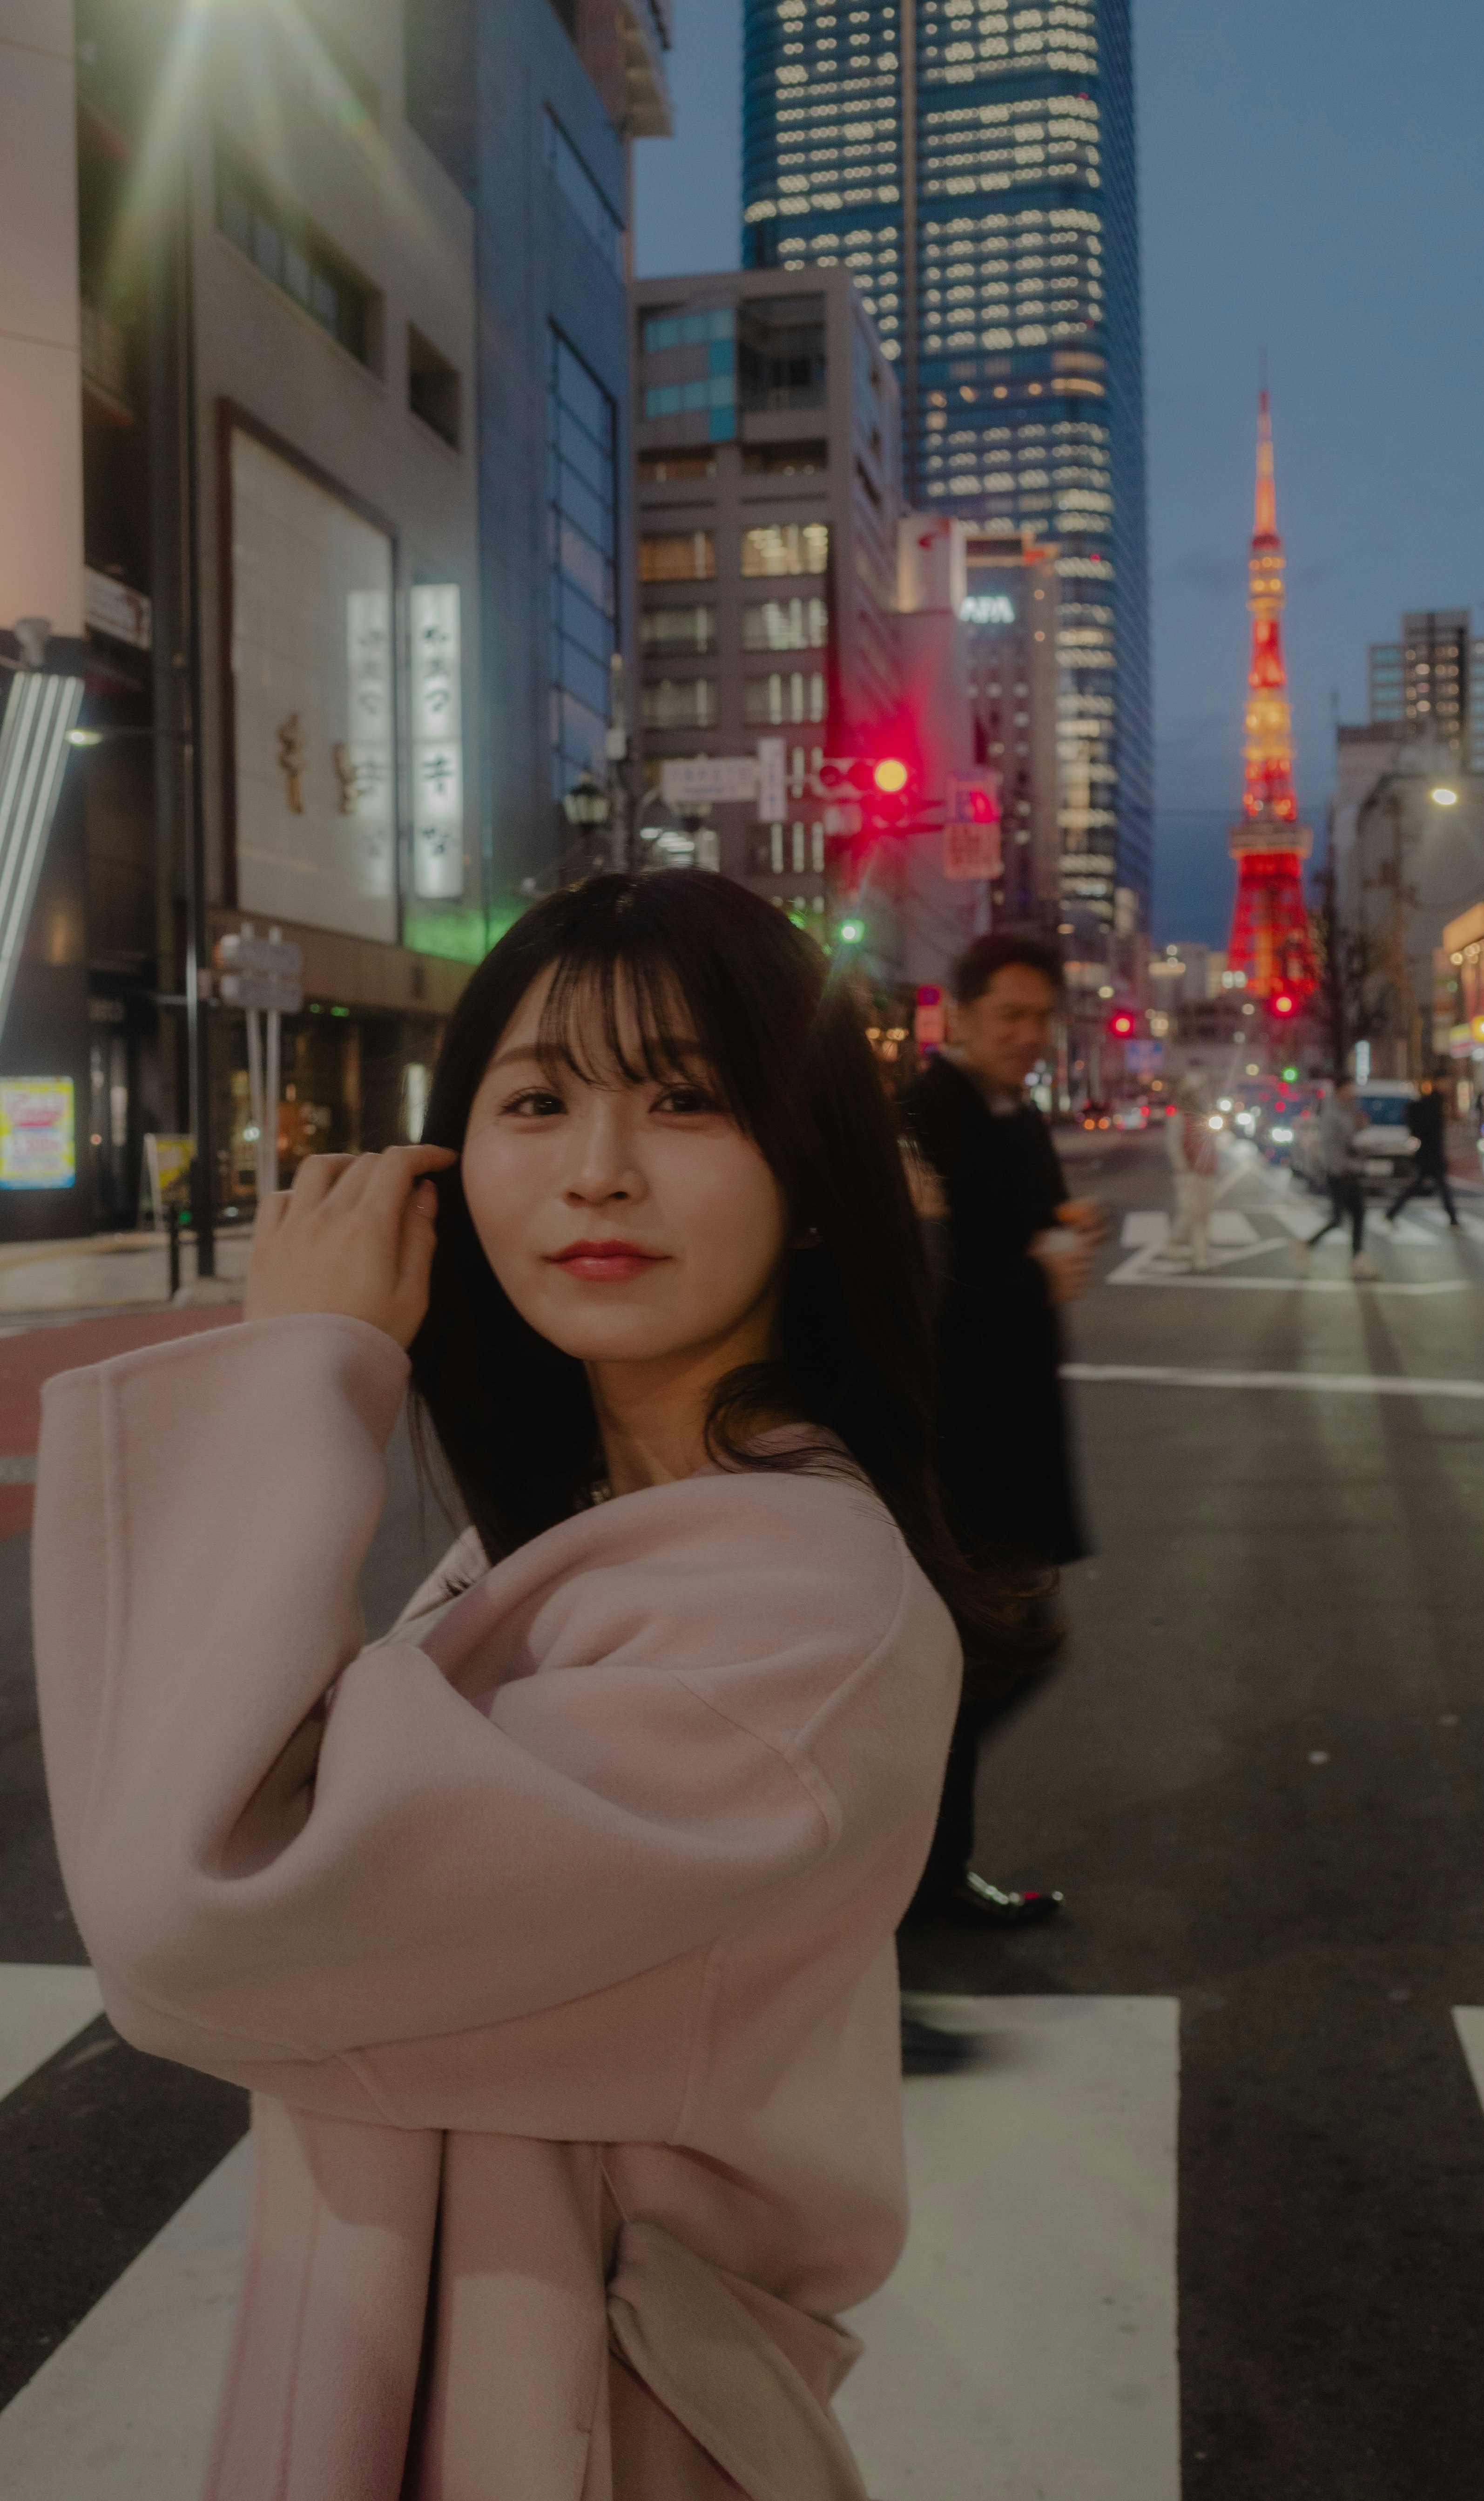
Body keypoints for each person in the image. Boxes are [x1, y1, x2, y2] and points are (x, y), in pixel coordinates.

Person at [31, 871, 1043, 2496]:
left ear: (811, 1182)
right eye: (536, 1099)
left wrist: (301, 1371)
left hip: (578, 2419)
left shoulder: (797, 1621)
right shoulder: (586, 1530)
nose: (599, 1171)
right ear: (453, 1165)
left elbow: (198, 1918)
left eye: (688, 1101)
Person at [902, 932, 1096, 1928]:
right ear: (960, 1016)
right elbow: (911, 1280)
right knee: (998, 1654)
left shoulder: (1016, 1116)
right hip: (954, 1448)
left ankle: (930, 1878)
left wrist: (1063, 1229)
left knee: (983, 1664)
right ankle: (902, 1877)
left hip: (1013, 1433)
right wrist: (1036, 1270)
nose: (1029, 1035)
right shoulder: (922, 1116)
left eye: (1040, 1018)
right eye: (1010, 1016)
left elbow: (1021, 1229)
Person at [1297, 1072, 1378, 1281]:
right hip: (1340, 1173)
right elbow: (1335, 1144)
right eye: (1349, 1088)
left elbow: (1352, 1137)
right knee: (1340, 1218)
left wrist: (1361, 1126)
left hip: (1350, 1170)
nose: (1353, 1092)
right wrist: (1340, 1169)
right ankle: (1309, 1245)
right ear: (1340, 1089)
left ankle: (1356, 1260)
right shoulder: (1332, 1113)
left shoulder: (1348, 1109)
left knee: (1356, 1215)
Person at [1385, 1073, 1461, 1227]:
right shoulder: (1434, 1102)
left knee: (1422, 1186)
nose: (1448, 1086)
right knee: (1432, 1186)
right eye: (1446, 1082)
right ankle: (1453, 1218)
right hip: (1431, 1154)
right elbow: (1429, 1130)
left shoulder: (1435, 1101)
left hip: (1428, 1153)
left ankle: (1392, 1212)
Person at [1158, 1083, 1220, 1269]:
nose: (1199, 1098)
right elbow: (1173, 1143)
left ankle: (1201, 1252)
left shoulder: (1206, 1117)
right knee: (1188, 1212)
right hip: (1188, 1174)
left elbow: (1213, 1143)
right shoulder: (1178, 1117)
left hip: (1208, 1172)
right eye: (1195, 1095)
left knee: (1205, 1213)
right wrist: (1182, 1167)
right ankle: (1174, 1244)